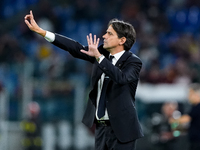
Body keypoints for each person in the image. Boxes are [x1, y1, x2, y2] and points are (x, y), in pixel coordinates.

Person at [24, 10, 144, 150]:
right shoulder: (102, 55)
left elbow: (121, 78)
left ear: (122, 40)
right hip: (101, 128)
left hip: (123, 129)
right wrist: (43, 32)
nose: (104, 36)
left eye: (110, 34)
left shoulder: (133, 62)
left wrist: (99, 57)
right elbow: (75, 48)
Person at [170, 83, 200, 150]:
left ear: (196, 94)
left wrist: (173, 120)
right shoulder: (194, 107)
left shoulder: (198, 107)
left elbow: (186, 118)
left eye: (190, 94)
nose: (188, 97)